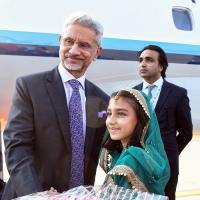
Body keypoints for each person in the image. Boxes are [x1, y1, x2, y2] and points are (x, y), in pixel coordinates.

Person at [2, 12, 109, 199]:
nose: (74, 50)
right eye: (68, 41)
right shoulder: (29, 87)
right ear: (60, 42)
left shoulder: (101, 100)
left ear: (97, 52)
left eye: (84, 45)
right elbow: (17, 147)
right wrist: (38, 195)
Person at [134, 45, 193, 199]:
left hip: (166, 167)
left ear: (161, 66)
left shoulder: (178, 93)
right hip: (138, 164)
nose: (143, 64)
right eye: (140, 60)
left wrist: (167, 155)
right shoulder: (132, 93)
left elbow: (186, 132)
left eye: (149, 60)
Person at [100, 89, 170, 196]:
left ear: (140, 118)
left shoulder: (132, 161)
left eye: (121, 114)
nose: (111, 121)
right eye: (109, 113)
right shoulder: (145, 155)